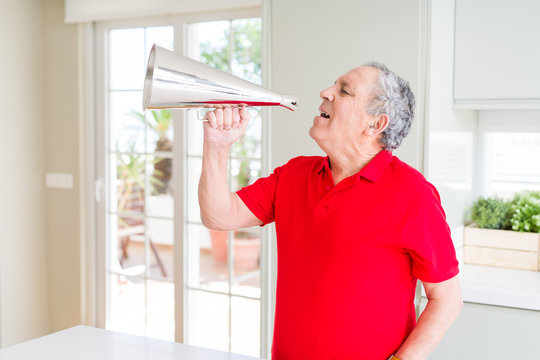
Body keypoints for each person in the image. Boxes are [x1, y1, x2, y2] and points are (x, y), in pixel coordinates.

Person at [198, 63, 462, 360]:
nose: (325, 92)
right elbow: (218, 215)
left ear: (375, 124)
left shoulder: (413, 194)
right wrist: (217, 147)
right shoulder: (294, 175)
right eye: (332, 85)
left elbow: (447, 299)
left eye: (344, 90)